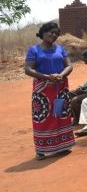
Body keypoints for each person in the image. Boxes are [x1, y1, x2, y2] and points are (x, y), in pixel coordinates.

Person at [25, 22, 75, 160]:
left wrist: (61, 75)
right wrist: (47, 77)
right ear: (43, 33)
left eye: (56, 33)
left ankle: (63, 145)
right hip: (43, 91)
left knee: (60, 115)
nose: (53, 35)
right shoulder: (34, 50)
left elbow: (69, 65)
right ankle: (41, 150)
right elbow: (28, 69)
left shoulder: (60, 49)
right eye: (51, 32)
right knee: (43, 117)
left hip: (60, 87)